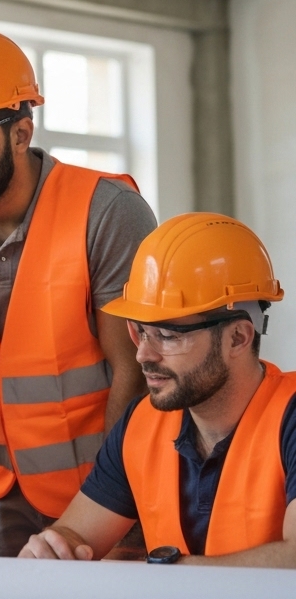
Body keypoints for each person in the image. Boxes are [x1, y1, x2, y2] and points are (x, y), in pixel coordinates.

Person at [0, 27, 156, 557]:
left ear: (21, 132)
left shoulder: (106, 211)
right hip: (5, 494)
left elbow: (134, 373)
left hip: (108, 492)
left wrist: (107, 515)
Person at [20, 213, 296, 566]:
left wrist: (169, 574)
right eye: (140, 331)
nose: (143, 354)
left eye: (167, 336)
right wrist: (53, 549)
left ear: (238, 337)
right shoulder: (140, 425)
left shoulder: (289, 417)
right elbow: (76, 535)